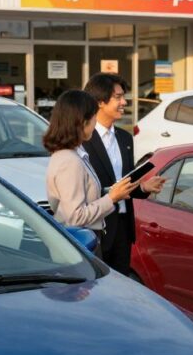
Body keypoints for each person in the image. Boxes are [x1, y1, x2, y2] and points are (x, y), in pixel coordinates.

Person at [82, 73, 166, 275]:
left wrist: (144, 187)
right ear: (100, 102)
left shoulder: (125, 138)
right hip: (95, 228)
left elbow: (125, 183)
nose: (124, 102)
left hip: (122, 227)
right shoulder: (83, 139)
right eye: (118, 97)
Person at [44, 90, 139, 254]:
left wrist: (113, 192)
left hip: (83, 240)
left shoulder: (74, 153)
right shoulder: (69, 160)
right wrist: (111, 198)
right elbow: (74, 217)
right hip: (80, 244)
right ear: (81, 121)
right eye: (94, 117)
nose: (96, 123)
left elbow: (84, 196)